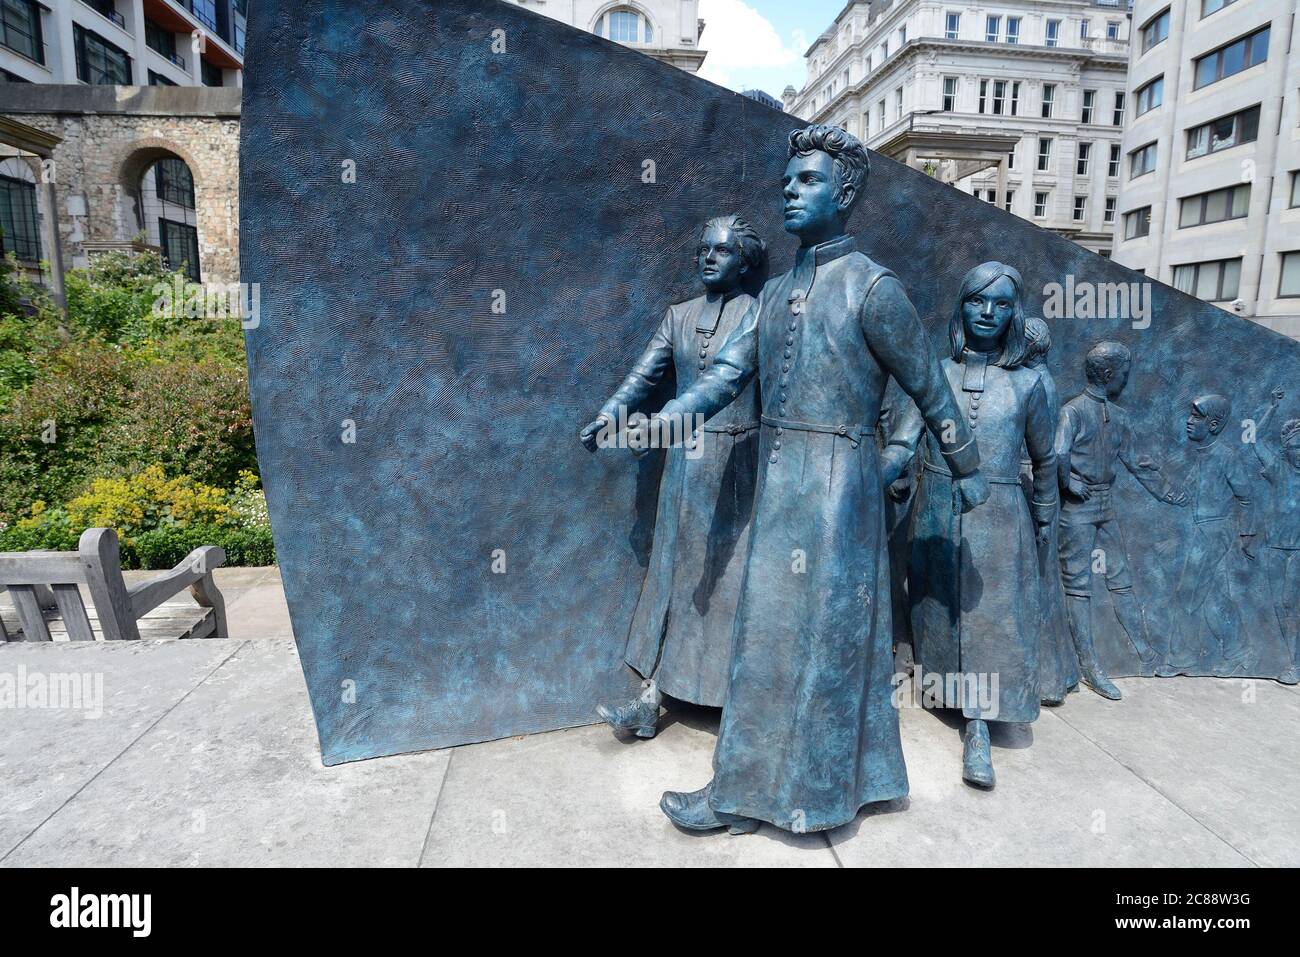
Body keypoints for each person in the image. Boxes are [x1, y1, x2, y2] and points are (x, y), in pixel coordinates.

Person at [635, 125, 987, 834]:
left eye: (807, 181)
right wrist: (666, 418)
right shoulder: (777, 291)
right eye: (786, 181)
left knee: (830, 640)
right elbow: (727, 374)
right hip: (782, 484)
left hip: (841, 492)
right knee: (761, 638)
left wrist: (968, 469)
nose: (788, 193)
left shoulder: (874, 287)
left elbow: (930, 389)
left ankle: (819, 791)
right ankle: (739, 789)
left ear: (846, 191)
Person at [580, 215, 766, 736]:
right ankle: (650, 697)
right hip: (685, 464)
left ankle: (735, 702)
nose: (709, 258)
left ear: (745, 261)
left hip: (737, 468)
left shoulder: (759, 315)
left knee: (727, 582)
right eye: (704, 249)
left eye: (723, 251)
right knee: (672, 576)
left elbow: (739, 382)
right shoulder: (678, 315)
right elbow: (645, 374)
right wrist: (608, 416)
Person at [883, 263, 1057, 788]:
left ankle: (978, 727)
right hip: (936, 506)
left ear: (1014, 313)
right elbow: (904, 439)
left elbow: (1046, 460)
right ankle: (940, 689)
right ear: (960, 307)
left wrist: (1044, 515)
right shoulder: (936, 372)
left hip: (999, 515)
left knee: (988, 620)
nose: (988, 313)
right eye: (977, 302)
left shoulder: (1029, 384)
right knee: (939, 610)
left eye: (1002, 304)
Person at [1056, 342, 1186, 699]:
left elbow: (1138, 461)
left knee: (1121, 579)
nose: (1127, 381)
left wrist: (1168, 493)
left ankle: (1145, 652)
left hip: (1105, 506)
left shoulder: (1120, 416)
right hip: (1077, 509)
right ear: (1109, 374)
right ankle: (1089, 665)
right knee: (1078, 586)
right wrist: (1068, 481)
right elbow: (1057, 453)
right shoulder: (1073, 412)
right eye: (1125, 374)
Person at [1167, 394, 1254, 674]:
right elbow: (1186, 494)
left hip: (1214, 532)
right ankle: (1240, 652)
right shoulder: (1203, 456)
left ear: (1214, 424)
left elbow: (1246, 497)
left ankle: (1183, 658)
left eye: (1196, 417)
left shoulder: (1225, 457)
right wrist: (1155, 472)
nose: (1189, 422)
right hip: (1204, 529)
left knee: (1186, 595)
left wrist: (1245, 536)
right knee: (1215, 598)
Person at [1021, 318, 1078, 704]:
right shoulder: (1041, 377)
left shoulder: (1035, 383)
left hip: (1030, 485)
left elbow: (1052, 452)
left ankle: (1045, 677)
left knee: (1035, 580)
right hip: (1034, 483)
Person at [1248, 389, 1300, 684]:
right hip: (1275, 547)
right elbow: (1253, 438)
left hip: (1297, 550)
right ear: (1286, 448)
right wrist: (1272, 407)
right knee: (1276, 604)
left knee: (1291, 602)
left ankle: (1294, 662)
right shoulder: (1277, 467)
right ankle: (1285, 655)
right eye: (1297, 447)